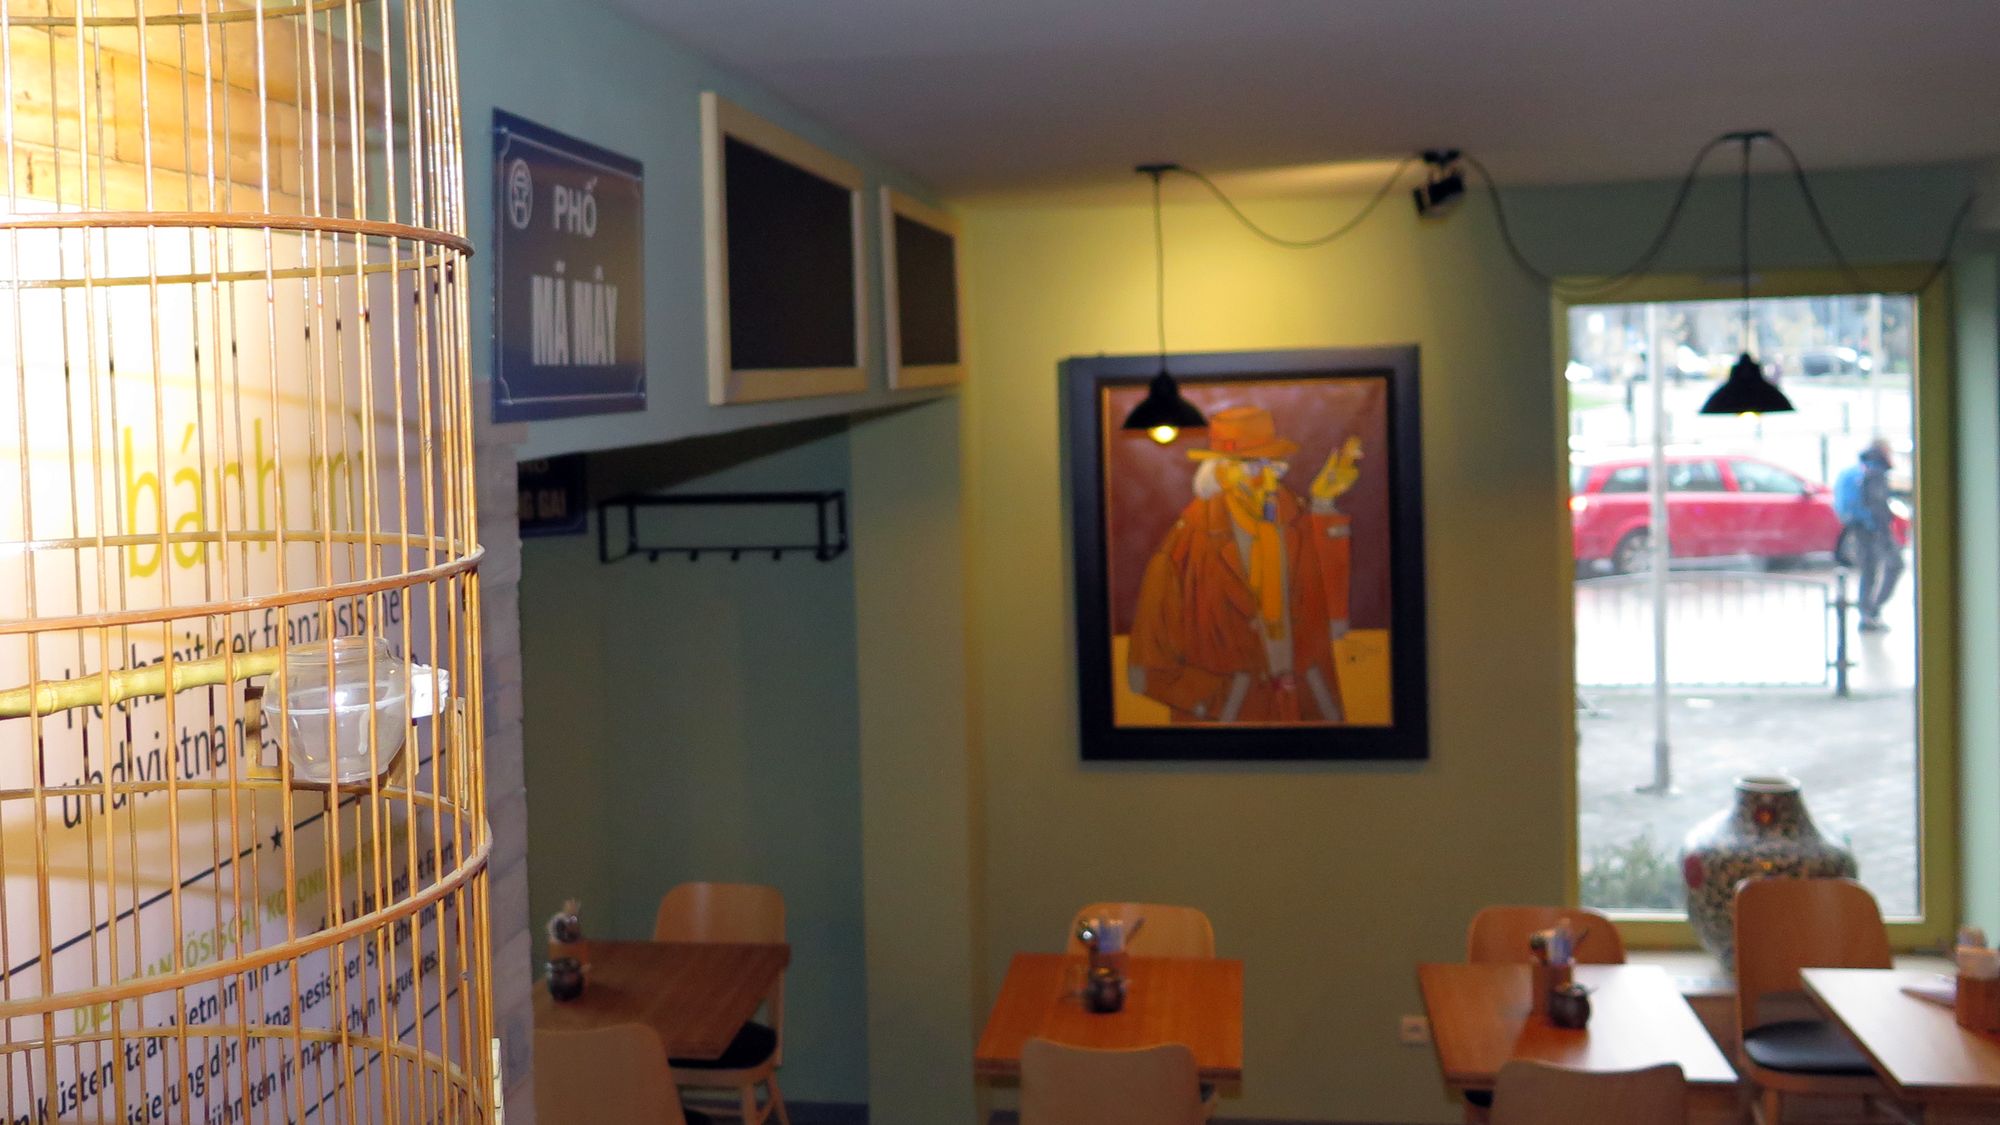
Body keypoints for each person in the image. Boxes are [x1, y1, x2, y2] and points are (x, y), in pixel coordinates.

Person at [1126, 405, 1361, 724]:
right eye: (1250, 465)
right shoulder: (1187, 542)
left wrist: (1323, 503)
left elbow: (1329, 612)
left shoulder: (1293, 520)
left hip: (1301, 718)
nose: (1265, 476)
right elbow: (1146, 668)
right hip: (1224, 729)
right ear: (1219, 472)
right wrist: (1229, 701)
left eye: (1270, 464)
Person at [1838, 439, 1902, 633]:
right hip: (1872, 528)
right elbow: (1877, 503)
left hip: (1860, 526)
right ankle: (1870, 612)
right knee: (1889, 566)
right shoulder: (1874, 472)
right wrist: (1884, 528)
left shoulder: (1859, 469)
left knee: (1870, 570)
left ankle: (1868, 612)